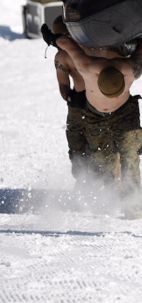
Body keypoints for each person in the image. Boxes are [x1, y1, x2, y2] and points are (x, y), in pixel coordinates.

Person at [53, 32, 142, 219]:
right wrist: (53, 38)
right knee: (102, 158)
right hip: (95, 116)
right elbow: (67, 43)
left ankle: (131, 204)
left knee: (129, 155)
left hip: (124, 112)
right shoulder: (86, 66)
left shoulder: (131, 69)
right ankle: (104, 196)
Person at [44, 16, 91, 182]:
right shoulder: (62, 57)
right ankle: (83, 187)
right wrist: (71, 98)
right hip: (78, 107)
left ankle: (116, 191)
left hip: (102, 105)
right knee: (77, 152)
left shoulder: (96, 47)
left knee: (105, 150)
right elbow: (63, 85)